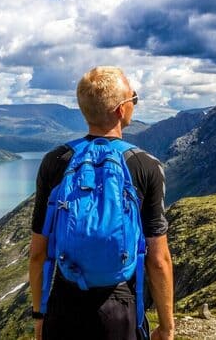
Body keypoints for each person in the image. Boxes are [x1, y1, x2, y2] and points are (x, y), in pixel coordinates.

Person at [28, 66, 174, 340]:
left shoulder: (55, 161)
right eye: (134, 99)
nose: (134, 104)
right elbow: (158, 259)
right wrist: (166, 327)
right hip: (119, 307)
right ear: (121, 110)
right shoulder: (146, 166)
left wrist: (40, 316)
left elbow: (38, 253)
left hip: (64, 304)